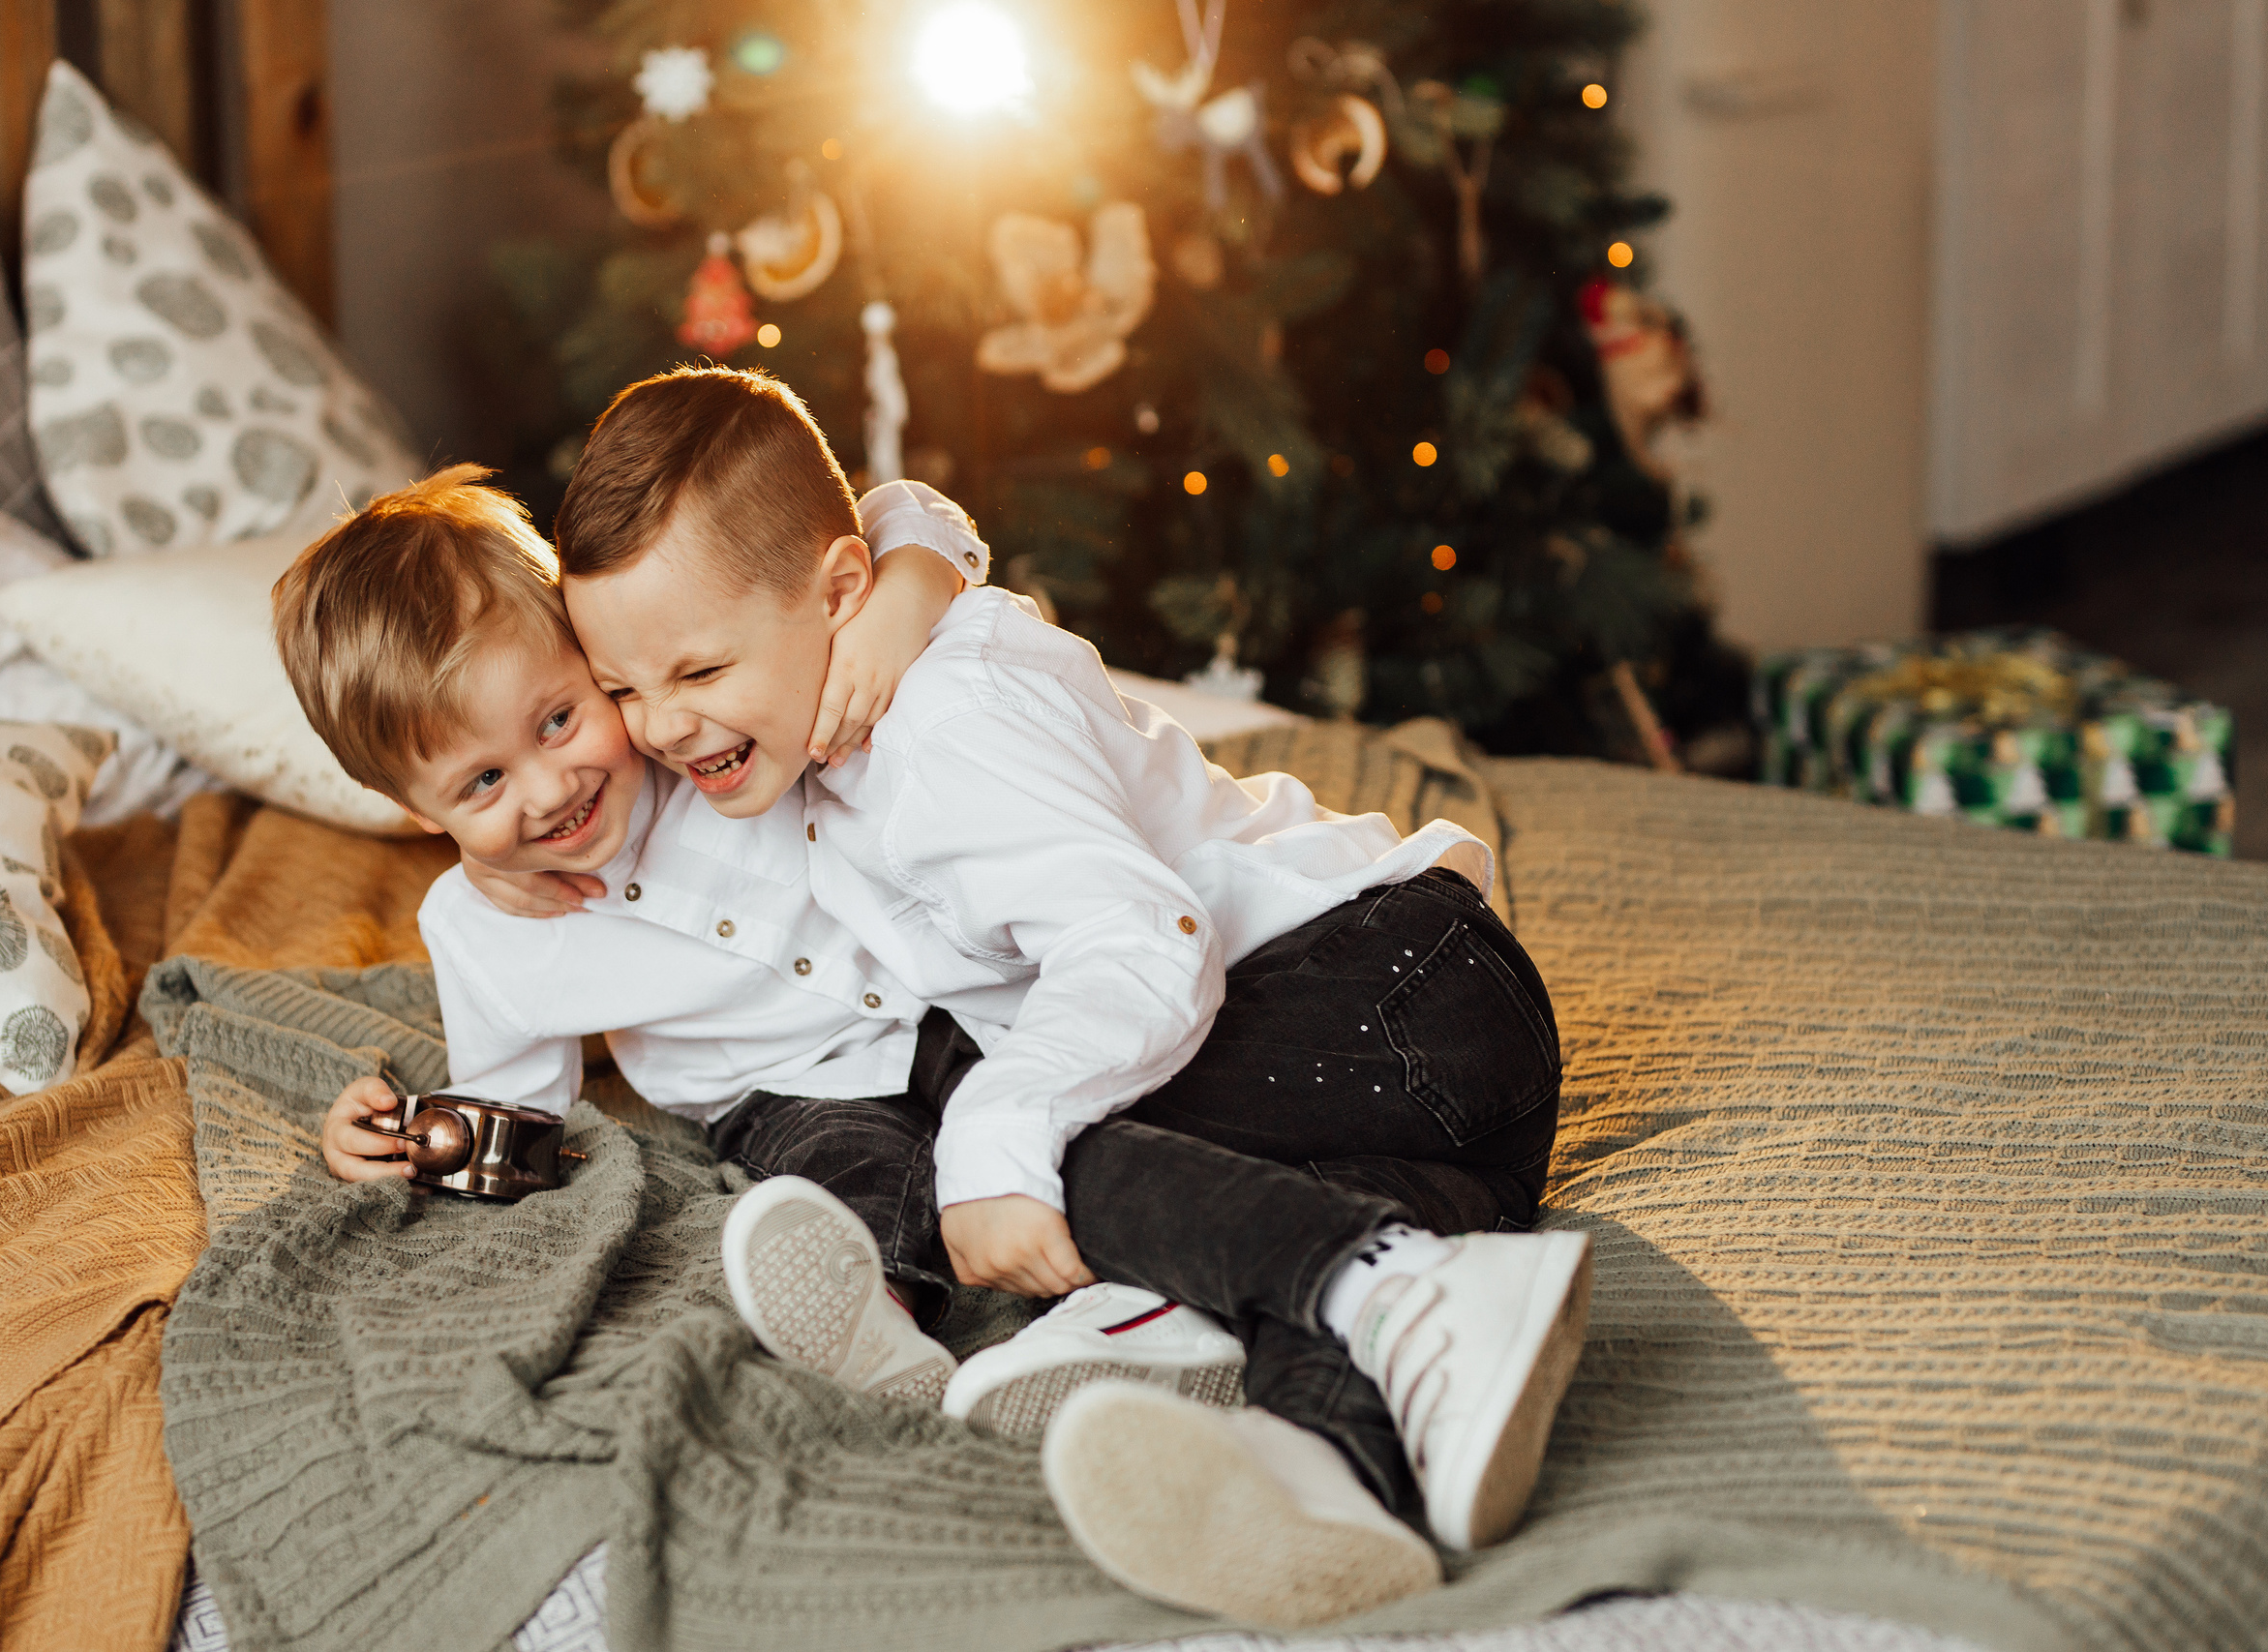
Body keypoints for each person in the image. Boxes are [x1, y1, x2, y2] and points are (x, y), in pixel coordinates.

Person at [465, 366, 1593, 1628]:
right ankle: (1338, 1477)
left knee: (1016, 1128)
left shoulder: (945, 723)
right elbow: (896, 518)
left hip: (1393, 980)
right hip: (1428, 1112)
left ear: (840, 595)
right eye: (622, 689)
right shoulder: (809, 694)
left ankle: (1375, 1281)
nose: (661, 726)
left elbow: (1145, 942)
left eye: (697, 670)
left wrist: (1001, 1138)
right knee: (1220, 1204)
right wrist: (493, 852)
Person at [274, 463, 1241, 1411]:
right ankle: (876, 1332)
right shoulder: (486, 930)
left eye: (561, 720)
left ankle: (1150, 1310)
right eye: (480, 785)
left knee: (1092, 1112)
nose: (547, 788)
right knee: (845, 1182)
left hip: (950, 1000)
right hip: (785, 1085)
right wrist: (416, 1141)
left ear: (589, 652)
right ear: (407, 808)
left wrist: (905, 598)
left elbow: (892, 514)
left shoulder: (699, 734)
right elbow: (512, 1120)